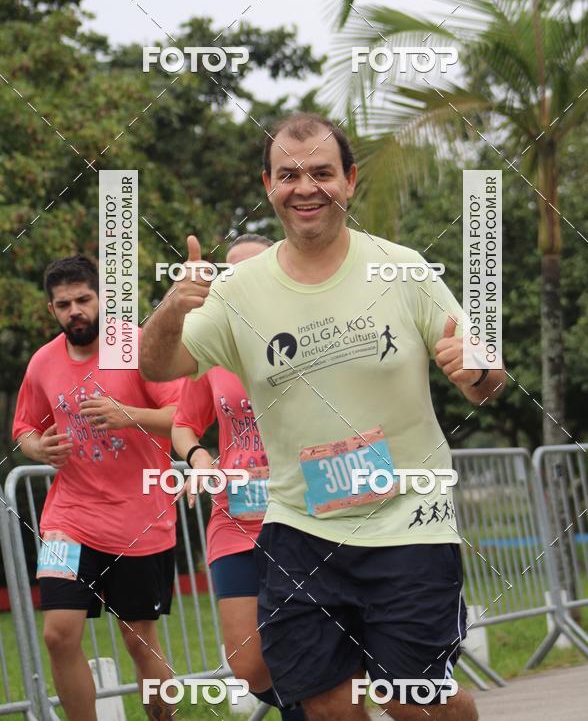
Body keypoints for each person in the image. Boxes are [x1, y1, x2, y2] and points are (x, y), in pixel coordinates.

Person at [140, 113, 506, 721]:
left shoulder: (403, 267)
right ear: (268, 186)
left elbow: (485, 382)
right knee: (325, 702)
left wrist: (478, 370)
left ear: (350, 181)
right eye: (288, 174)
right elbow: (159, 366)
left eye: (322, 172)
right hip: (300, 529)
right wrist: (172, 307)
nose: (305, 186)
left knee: (411, 698)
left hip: (409, 523)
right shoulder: (237, 291)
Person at [13, 255, 182, 721]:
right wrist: (38, 449)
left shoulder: (139, 348)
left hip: (140, 521)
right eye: (64, 304)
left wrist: (129, 415)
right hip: (67, 521)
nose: (75, 311)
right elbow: (25, 426)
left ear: (102, 299)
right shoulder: (43, 362)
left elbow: (183, 417)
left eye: (83, 299)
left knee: (139, 640)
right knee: (58, 634)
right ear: (52, 310)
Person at [172, 233, 304, 720]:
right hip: (237, 515)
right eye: (230, 272)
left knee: (308, 644)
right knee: (249, 663)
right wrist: (200, 458)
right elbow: (185, 423)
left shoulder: (312, 332)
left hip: (306, 512)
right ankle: (321, 706)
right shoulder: (213, 348)